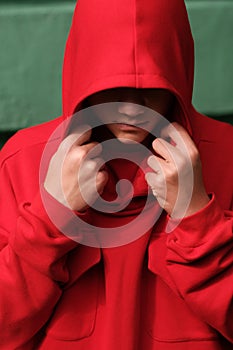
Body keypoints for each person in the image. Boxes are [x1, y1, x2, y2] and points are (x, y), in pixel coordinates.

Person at [0, 0, 232, 349]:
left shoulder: (226, 156)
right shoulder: (22, 160)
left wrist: (197, 217)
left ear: (179, 71)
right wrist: (50, 218)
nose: (131, 106)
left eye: (152, 85)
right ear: (82, 70)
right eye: (110, 83)